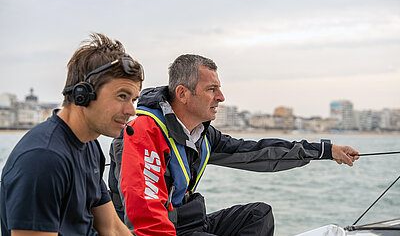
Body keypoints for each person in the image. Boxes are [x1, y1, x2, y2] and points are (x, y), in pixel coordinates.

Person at [109, 54, 359, 236]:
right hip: (166, 230)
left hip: (191, 222)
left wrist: (326, 151)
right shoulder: (143, 133)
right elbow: (143, 218)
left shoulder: (202, 134)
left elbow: (256, 152)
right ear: (183, 94)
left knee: (258, 215)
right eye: (212, 89)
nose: (221, 97)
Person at [1, 33, 144, 236]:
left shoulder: (89, 144)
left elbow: (112, 227)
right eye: (122, 96)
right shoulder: (42, 160)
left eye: (133, 99)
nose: (131, 111)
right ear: (83, 94)